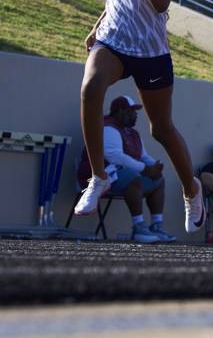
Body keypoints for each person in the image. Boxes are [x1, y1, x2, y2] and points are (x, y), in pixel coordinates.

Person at [73, 0, 207, 235]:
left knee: (160, 129)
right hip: (113, 41)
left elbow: (160, 3)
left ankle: (191, 189)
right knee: (90, 90)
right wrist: (96, 25)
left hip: (150, 51)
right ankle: (99, 177)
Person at [74, 95, 175, 244]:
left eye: (136, 111)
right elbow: (114, 156)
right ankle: (138, 227)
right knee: (133, 177)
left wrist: (155, 165)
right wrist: (145, 169)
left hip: (119, 177)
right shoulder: (108, 127)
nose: (135, 115)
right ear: (120, 111)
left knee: (158, 180)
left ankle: (156, 226)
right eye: (132, 111)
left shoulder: (132, 133)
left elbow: (143, 156)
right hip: (97, 179)